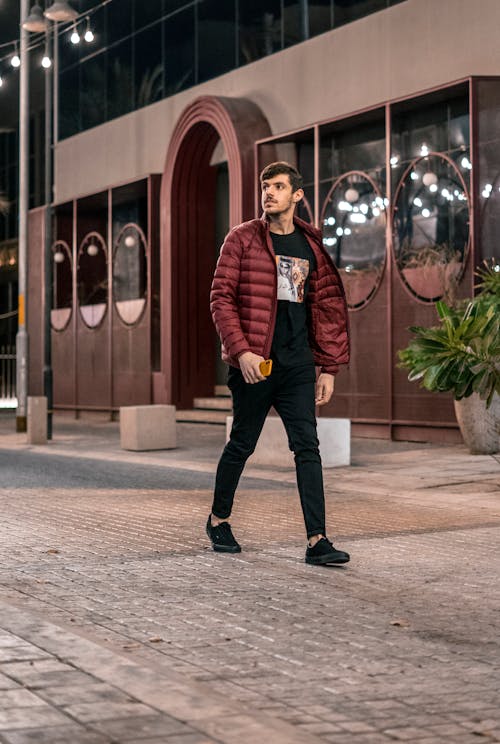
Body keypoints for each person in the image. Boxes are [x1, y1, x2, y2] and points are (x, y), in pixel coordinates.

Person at [207, 161, 350, 565]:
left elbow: (324, 309)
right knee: (242, 443)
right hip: (255, 364)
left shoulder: (311, 245)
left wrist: (329, 368)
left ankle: (317, 540)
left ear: (297, 195)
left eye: (278, 187)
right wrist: (242, 352)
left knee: (307, 448)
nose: (269, 193)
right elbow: (221, 299)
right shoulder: (242, 240)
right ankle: (218, 520)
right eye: (265, 187)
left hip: (298, 365)